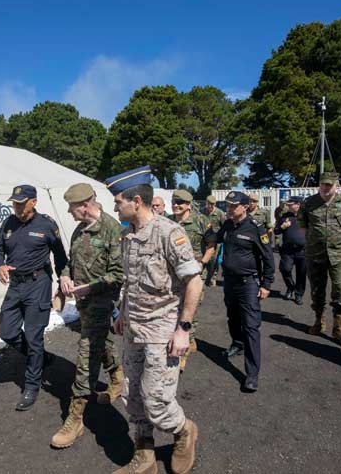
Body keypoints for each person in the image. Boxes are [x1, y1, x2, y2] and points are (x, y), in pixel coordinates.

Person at [108, 165, 202, 474]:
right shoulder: (127, 235)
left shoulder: (168, 233)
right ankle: (145, 456)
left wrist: (184, 330)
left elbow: (194, 282)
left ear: (136, 201)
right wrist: (122, 313)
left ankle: (184, 431)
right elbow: (129, 281)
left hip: (162, 331)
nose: (114, 206)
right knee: (132, 395)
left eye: (118, 201)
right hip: (134, 329)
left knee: (158, 401)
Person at [51, 183, 125, 448]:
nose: (69, 212)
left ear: (84, 205)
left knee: (86, 355)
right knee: (99, 342)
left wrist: (88, 288)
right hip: (82, 304)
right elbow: (71, 261)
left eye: (71, 207)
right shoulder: (79, 230)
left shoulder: (111, 229)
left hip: (102, 302)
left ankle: (76, 416)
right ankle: (117, 376)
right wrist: (65, 276)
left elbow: (118, 274)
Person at [0, 185, 68, 411]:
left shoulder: (46, 225)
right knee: (7, 331)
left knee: (34, 337)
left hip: (38, 283)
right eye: (14, 203)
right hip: (15, 284)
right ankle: (41, 358)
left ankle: (32, 385)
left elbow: (61, 256)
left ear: (33, 202)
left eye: (21, 203)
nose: (17, 207)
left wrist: (62, 284)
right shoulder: (8, 223)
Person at [203, 191, 274, 392]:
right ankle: (237, 343)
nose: (229, 208)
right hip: (230, 283)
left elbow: (268, 258)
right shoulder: (228, 224)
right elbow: (215, 237)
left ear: (244, 206)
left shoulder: (255, 228)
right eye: (228, 205)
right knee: (232, 317)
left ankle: (252, 374)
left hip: (248, 283)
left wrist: (266, 284)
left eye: (233, 205)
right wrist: (206, 232)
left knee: (251, 326)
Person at [297, 172, 341, 347]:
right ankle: (319, 321)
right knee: (317, 290)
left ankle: (339, 328)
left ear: (336, 186)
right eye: (323, 184)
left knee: (340, 291)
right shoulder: (309, 203)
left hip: (339, 254)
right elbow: (302, 224)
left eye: (329, 185)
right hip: (315, 254)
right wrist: (310, 243)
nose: (326, 188)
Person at [168, 189, 212, 371]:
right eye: (174, 202)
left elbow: (211, 245)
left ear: (188, 205)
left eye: (180, 203)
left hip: (194, 275)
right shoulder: (168, 221)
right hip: (174, 274)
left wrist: (202, 263)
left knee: (189, 310)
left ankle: (183, 353)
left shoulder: (201, 221)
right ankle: (190, 340)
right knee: (174, 308)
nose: (176, 205)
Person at [274, 196, 306, 305]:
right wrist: (282, 227)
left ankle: (298, 294)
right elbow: (276, 231)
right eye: (288, 204)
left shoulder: (306, 216)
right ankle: (290, 287)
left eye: (290, 204)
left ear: (298, 204)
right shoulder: (284, 216)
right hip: (288, 250)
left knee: (301, 274)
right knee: (285, 269)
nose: (288, 206)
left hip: (303, 251)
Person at [204, 194, 226, 286]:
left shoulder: (220, 213)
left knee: (213, 259)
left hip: (216, 241)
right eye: (209, 204)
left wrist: (223, 240)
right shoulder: (202, 212)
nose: (210, 206)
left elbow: (224, 227)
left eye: (212, 204)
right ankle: (206, 277)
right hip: (204, 240)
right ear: (206, 203)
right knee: (205, 259)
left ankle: (212, 277)